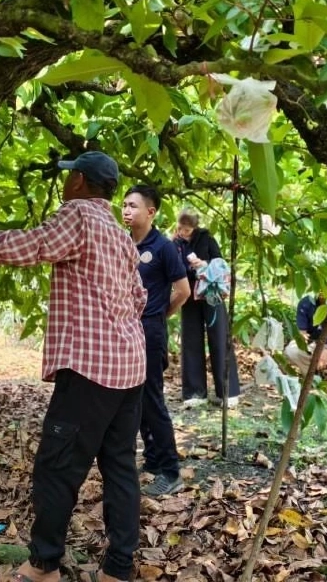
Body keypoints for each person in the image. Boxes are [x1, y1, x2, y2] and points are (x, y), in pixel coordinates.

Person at [0, 151, 145, 582]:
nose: (65, 182)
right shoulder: (120, 233)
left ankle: (43, 566)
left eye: (69, 175)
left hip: (91, 370)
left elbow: (31, 244)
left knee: (56, 468)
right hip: (129, 369)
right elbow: (139, 299)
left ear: (78, 182)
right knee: (120, 468)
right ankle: (119, 568)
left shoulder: (79, 216)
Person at [121, 185, 191, 496]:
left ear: (151, 212)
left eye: (133, 206)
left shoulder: (163, 247)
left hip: (150, 331)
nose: (126, 210)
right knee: (135, 398)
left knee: (152, 399)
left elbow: (183, 291)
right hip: (126, 331)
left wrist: (161, 314)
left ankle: (171, 471)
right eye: (123, 204)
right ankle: (151, 459)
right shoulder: (123, 243)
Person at [173, 210, 240, 409]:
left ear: (194, 228)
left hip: (211, 293)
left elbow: (220, 263)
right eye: (180, 228)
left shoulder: (207, 239)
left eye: (186, 230)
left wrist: (204, 264)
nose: (183, 232)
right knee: (191, 340)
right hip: (189, 295)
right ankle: (195, 392)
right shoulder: (174, 243)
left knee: (219, 338)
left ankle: (228, 392)